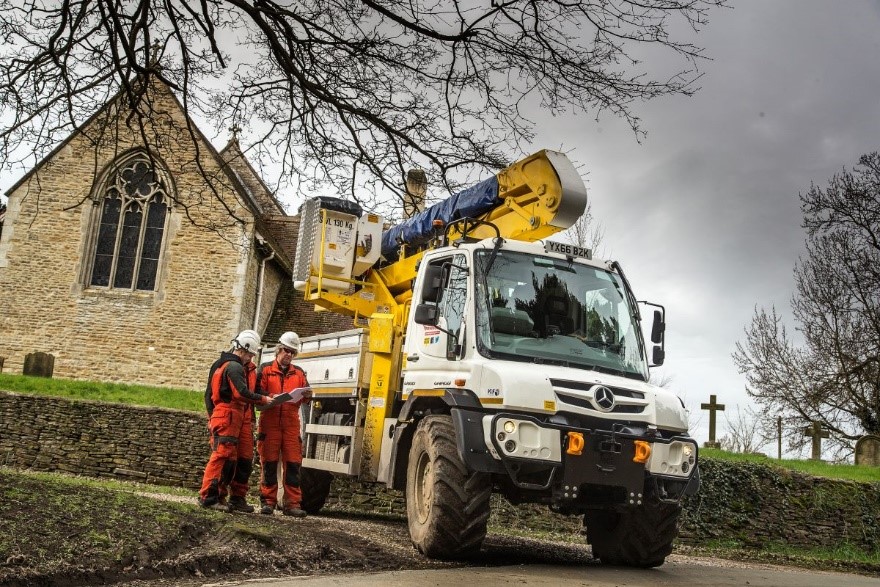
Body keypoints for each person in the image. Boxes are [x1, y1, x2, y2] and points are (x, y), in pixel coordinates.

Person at [199, 329, 269, 512]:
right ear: (244, 350)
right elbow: (238, 393)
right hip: (228, 415)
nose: (251, 358)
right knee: (223, 457)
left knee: (243, 459)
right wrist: (263, 400)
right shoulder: (231, 366)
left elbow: (250, 391)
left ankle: (235, 498)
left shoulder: (238, 367)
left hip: (239, 417)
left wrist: (264, 398)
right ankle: (211, 496)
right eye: (251, 354)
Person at [256, 331, 313, 517]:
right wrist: (270, 397)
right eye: (286, 350)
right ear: (279, 350)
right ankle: (268, 502)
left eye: (292, 352)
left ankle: (292, 504)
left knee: (293, 464)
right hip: (270, 421)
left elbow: (306, 395)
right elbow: (257, 392)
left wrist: (307, 396)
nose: (289, 354)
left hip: (290, 422)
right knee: (269, 463)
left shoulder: (299, 373)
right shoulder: (264, 369)